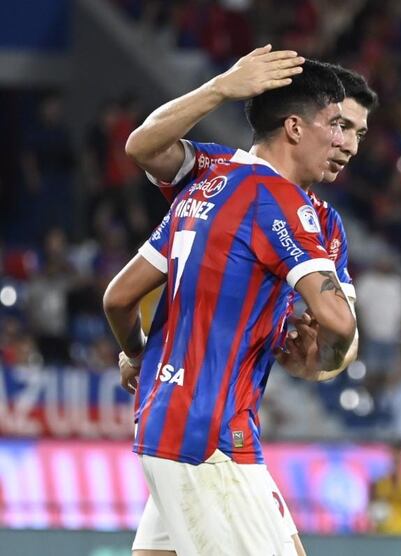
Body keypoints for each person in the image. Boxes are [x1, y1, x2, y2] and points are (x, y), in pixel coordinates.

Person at [117, 56, 377, 556]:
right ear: (295, 125)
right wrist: (220, 88)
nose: (349, 144)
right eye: (341, 126)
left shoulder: (325, 224)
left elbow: (338, 344)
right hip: (210, 435)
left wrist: (322, 363)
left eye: (359, 133)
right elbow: (143, 144)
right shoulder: (216, 173)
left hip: (199, 425)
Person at [368, 445, 401, 535]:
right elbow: (371, 508)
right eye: (394, 459)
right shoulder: (378, 484)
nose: (396, 461)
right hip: (383, 532)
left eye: (399, 459)